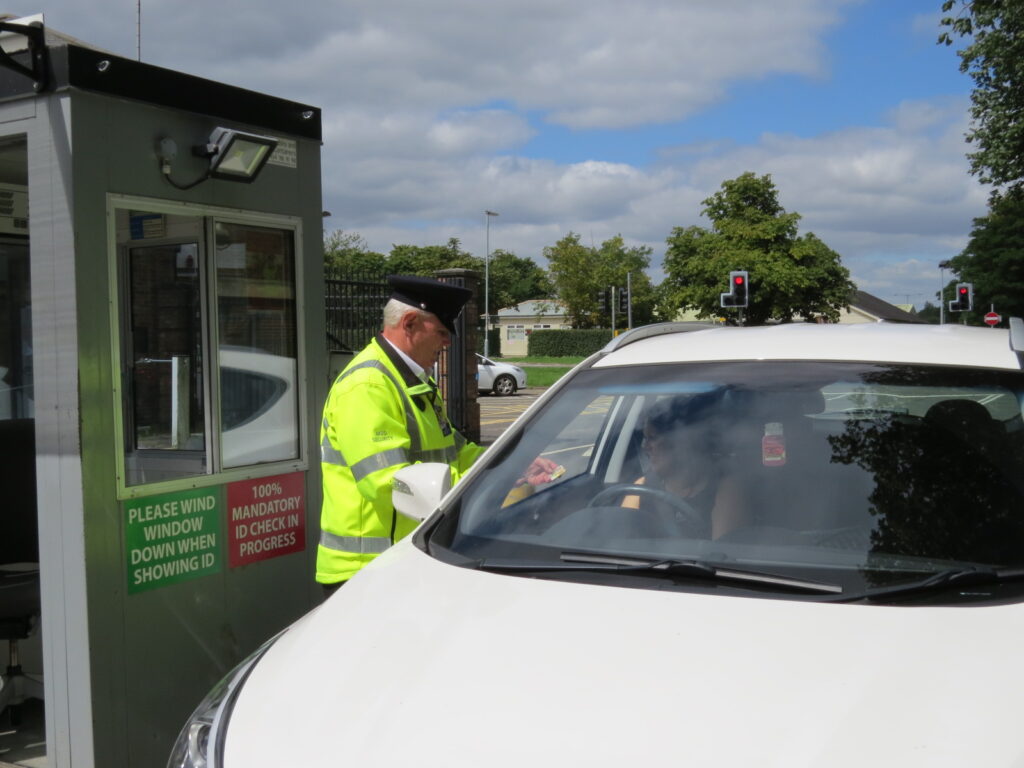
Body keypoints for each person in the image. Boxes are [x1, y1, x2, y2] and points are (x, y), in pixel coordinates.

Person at [317, 275, 485, 595]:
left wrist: (510, 467)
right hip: (364, 572)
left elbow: (456, 451)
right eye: (441, 331)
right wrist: (478, 489)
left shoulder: (411, 381)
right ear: (409, 323)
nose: (448, 343)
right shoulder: (369, 385)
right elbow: (388, 483)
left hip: (403, 561)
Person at [622, 391, 746, 539]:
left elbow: (722, 552)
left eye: (652, 438)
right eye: (645, 439)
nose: (645, 447)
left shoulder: (725, 487)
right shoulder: (641, 487)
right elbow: (621, 538)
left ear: (682, 441)